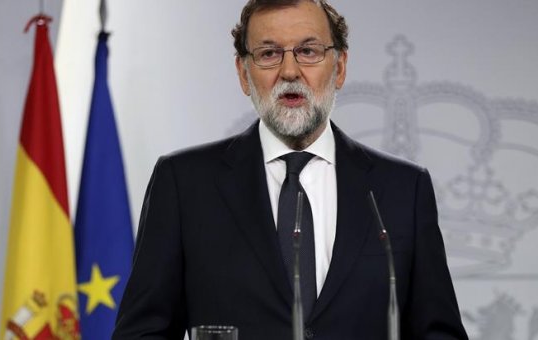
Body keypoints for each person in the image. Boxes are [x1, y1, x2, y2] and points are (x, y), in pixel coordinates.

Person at [112, 0, 468, 339]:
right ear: (243, 73)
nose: (289, 71)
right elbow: (142, 333)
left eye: (308, 51)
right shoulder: (185, 184)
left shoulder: (403, 189)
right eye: (268, 54)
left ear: (340, 66)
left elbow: (438, 333)